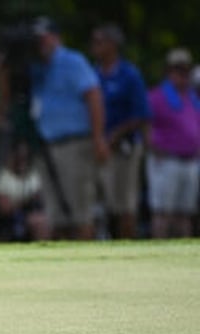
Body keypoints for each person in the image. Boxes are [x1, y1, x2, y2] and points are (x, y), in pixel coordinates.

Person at [30, 17, 110, 240]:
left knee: (80, 212)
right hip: (46, 145)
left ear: (56, 38)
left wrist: (98, 138)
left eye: (44, 37)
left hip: (75, 145)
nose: (40, 43)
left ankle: (87, 265)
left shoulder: (72, 61)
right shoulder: (35, 66)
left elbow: (94, 97)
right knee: (55, 216)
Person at [90, 24, 151, 239]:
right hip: (99, 147)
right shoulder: (93, 73)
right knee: (103, 204)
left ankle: (127, 247)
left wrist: (115, 135)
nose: (94, 46)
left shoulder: (129, 74)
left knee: (125, 204)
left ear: (112, 45)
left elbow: (141, 114)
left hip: (124, 148)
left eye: (99, 41)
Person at [146, 48, 200, 238]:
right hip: (166, 161)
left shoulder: (192, 97)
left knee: (184, 214)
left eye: (186, 70)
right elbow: (145, 125)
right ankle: (158, 251)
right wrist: (153, 148)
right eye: (178, 70)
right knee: (163, 212)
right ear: (169, 71)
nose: (182, 74)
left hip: (190, 161)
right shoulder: (157, 96)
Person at [0, 143, 47, 241]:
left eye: (24, 158)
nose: (22, 162)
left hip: (34, 212)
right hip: (13, 217)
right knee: (36, 221)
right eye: (19, 158)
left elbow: (40, 198)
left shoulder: (33, 175)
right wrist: (25, 201)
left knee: (42, 219)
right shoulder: (4, 177)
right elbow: (4, 209)